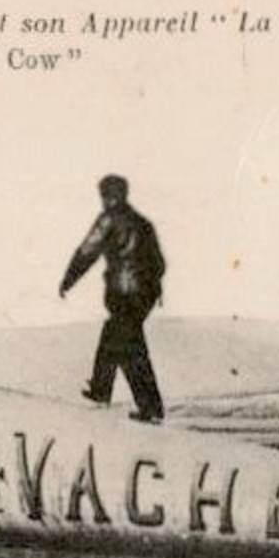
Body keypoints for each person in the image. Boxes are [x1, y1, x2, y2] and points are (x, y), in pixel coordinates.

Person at [57, 174, 166, 423]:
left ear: (110, 196)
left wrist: (68, 280)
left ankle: (126, 399)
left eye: (104, 196)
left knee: (126, 344)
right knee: (122, 341)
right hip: (143, 296)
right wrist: (153, 289)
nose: (103, 201)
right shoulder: (143, 224)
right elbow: (159, 263)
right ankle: (107, 391)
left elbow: (87, 252)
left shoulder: (109, 220)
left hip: (122, 292)